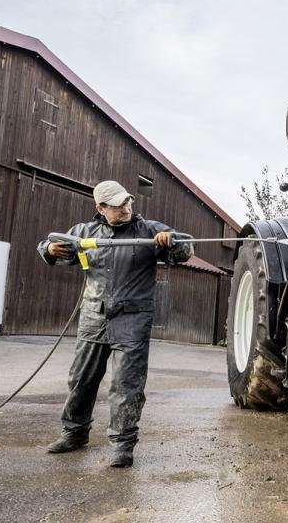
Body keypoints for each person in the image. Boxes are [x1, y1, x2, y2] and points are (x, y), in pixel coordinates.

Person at [37, 180, 192, 468]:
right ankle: (74, 433)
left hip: (132, 319)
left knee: (126, 384)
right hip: (93, 316)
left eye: (128, 202)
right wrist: (49, 249)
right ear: (101, 208)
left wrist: (172, 241)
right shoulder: (84, 233)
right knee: (81, 380)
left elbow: (186, 250)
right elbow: (49, 246)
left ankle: (123, 445)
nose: (126, 208)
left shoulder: (149, 231)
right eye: (119, 205)